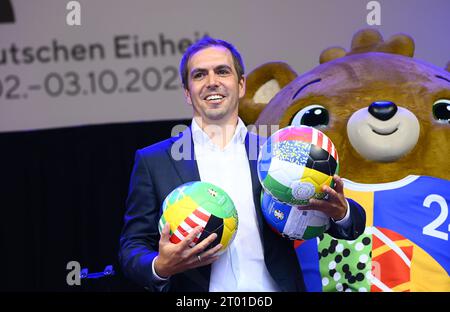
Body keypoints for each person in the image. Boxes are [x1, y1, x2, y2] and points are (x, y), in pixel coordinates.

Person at [119, 37, 366, 292]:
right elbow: (132, 247)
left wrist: (341, 212)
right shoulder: (154, 161)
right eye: (199, 75)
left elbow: (353, 225)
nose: (212, 81)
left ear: (241, 85)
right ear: (187, 92)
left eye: (222, 71)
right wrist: (160, 266)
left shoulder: (279, 153)